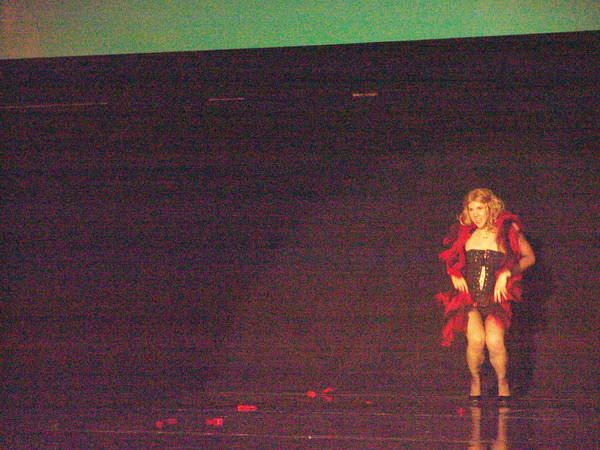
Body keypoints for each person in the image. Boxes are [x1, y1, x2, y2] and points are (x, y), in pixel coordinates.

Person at [436, 188, 535, 402]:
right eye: (471, 209)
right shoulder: (465, 232)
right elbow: (450, 256)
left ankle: (502, 382)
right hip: (469, 299)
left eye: (479, 208)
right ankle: (475, 380)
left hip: (495, 300)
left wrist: (507, 273)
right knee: (476, 340)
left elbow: (529, 257)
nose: (475, 214)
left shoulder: (507, 230)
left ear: (490, 207)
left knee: (494, 341)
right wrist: (453, 274)